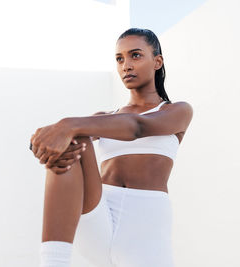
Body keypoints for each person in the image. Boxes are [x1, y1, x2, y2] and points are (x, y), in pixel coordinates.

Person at [30, 28, 193, 267]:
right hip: (98, 213)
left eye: (135, 55)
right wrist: (46, 142)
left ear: (157, 61)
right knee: (75, 139)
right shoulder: (103, 117)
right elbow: (70, 136)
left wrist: (65, 125)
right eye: (120, 59)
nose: (126, 65)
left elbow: (137, 127)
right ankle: (52, 261)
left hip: (144, 226)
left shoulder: (175, 111)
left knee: (74, 130)